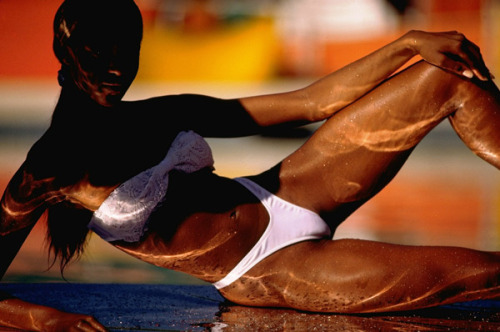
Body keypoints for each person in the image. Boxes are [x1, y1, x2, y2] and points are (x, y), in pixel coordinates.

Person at [1, 0, 499, 330]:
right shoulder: (47, 168)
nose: (115, 68)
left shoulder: (158, 113)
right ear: (64, 52)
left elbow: (310, 102)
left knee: (448, 78)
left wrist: (406, 43)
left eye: (125, 52)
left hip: (286, 189)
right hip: (267, 268)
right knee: (489, 273)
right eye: (97, 53)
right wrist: (46, 321)